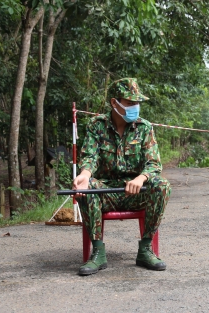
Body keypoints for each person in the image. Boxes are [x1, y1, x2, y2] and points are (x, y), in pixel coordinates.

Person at [72, 78, 171, 276]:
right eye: (130, 103)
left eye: (137, 103)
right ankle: (98, 252)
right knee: (85, 187)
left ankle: (145, 249)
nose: (135, 107)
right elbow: (90, 156)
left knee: (162, 185)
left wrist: (141, 179)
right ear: (114, 103)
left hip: (135, 191)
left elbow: (154, 164)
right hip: (105, 191)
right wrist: (84, 175)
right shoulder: (96, 125)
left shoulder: (144, 128)